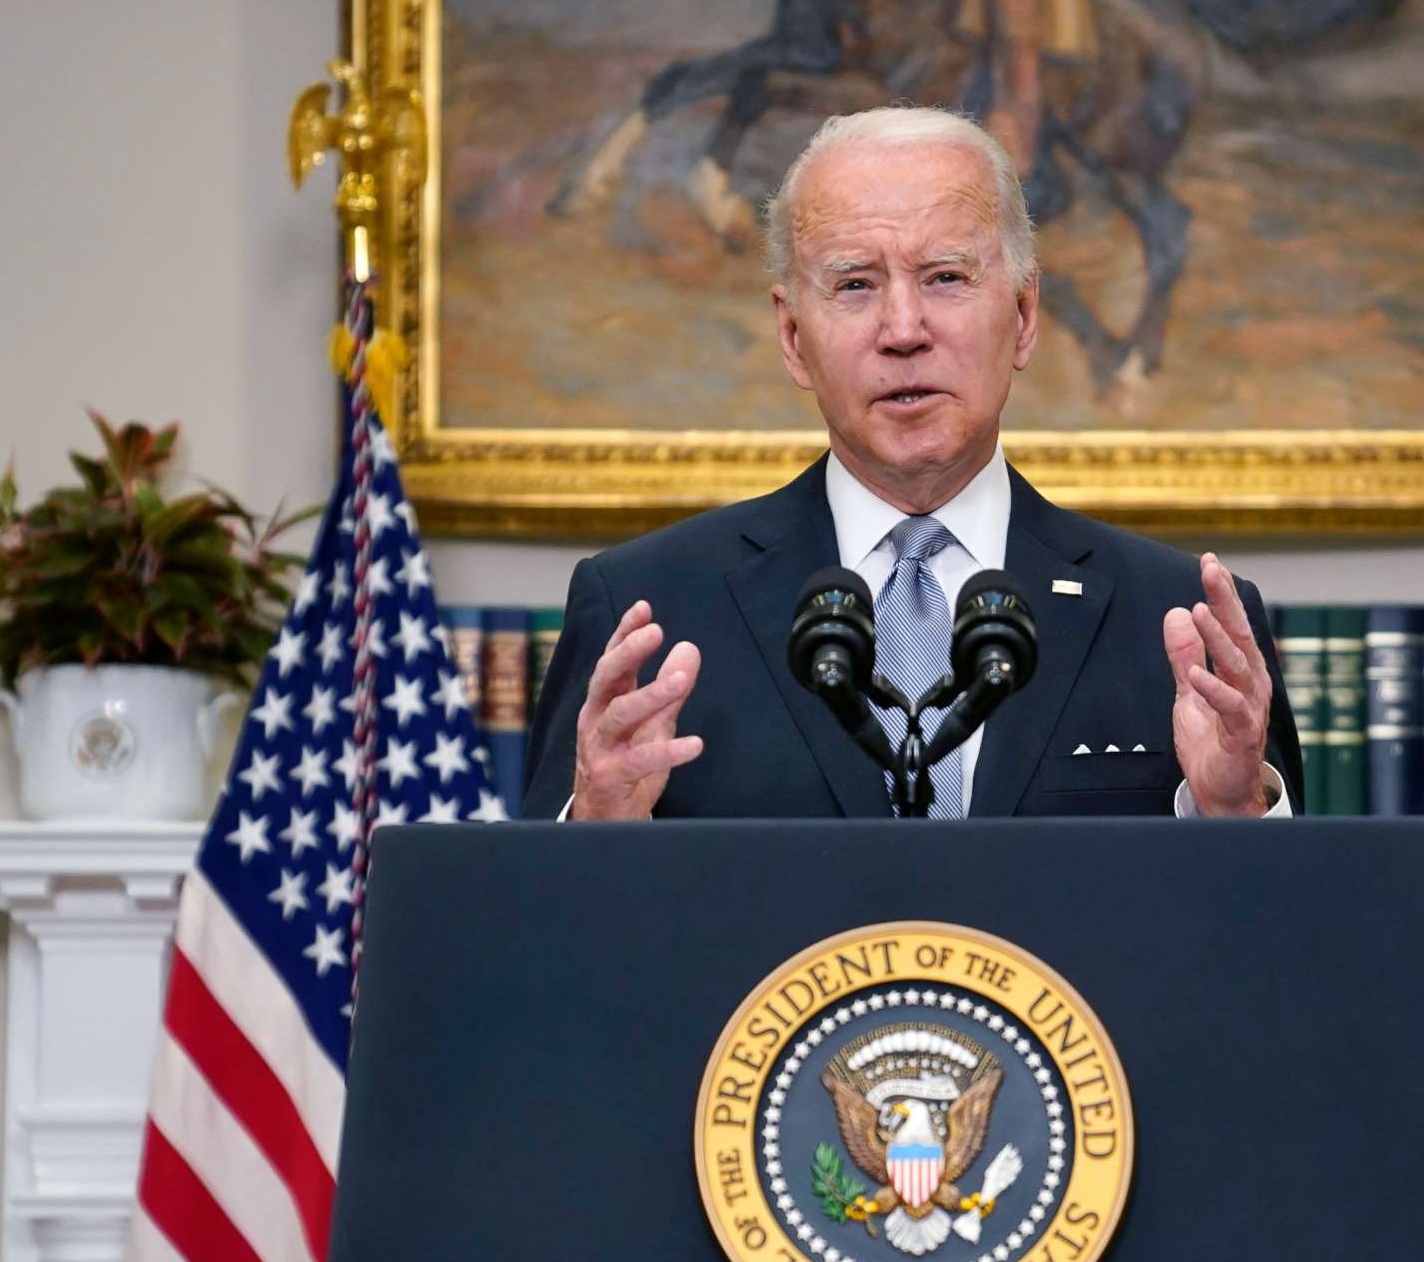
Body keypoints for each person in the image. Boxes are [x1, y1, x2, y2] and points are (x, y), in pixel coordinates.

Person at [525, 105, 1301, 822]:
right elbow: (534, 941)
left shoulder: (1181, 624)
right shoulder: (648, 614)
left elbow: (1288, 950)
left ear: (1024, 316)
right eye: (855, 285)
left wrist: (1235, 816)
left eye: (946, 278)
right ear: (794, 339)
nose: (904, 329)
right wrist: (595, 827)